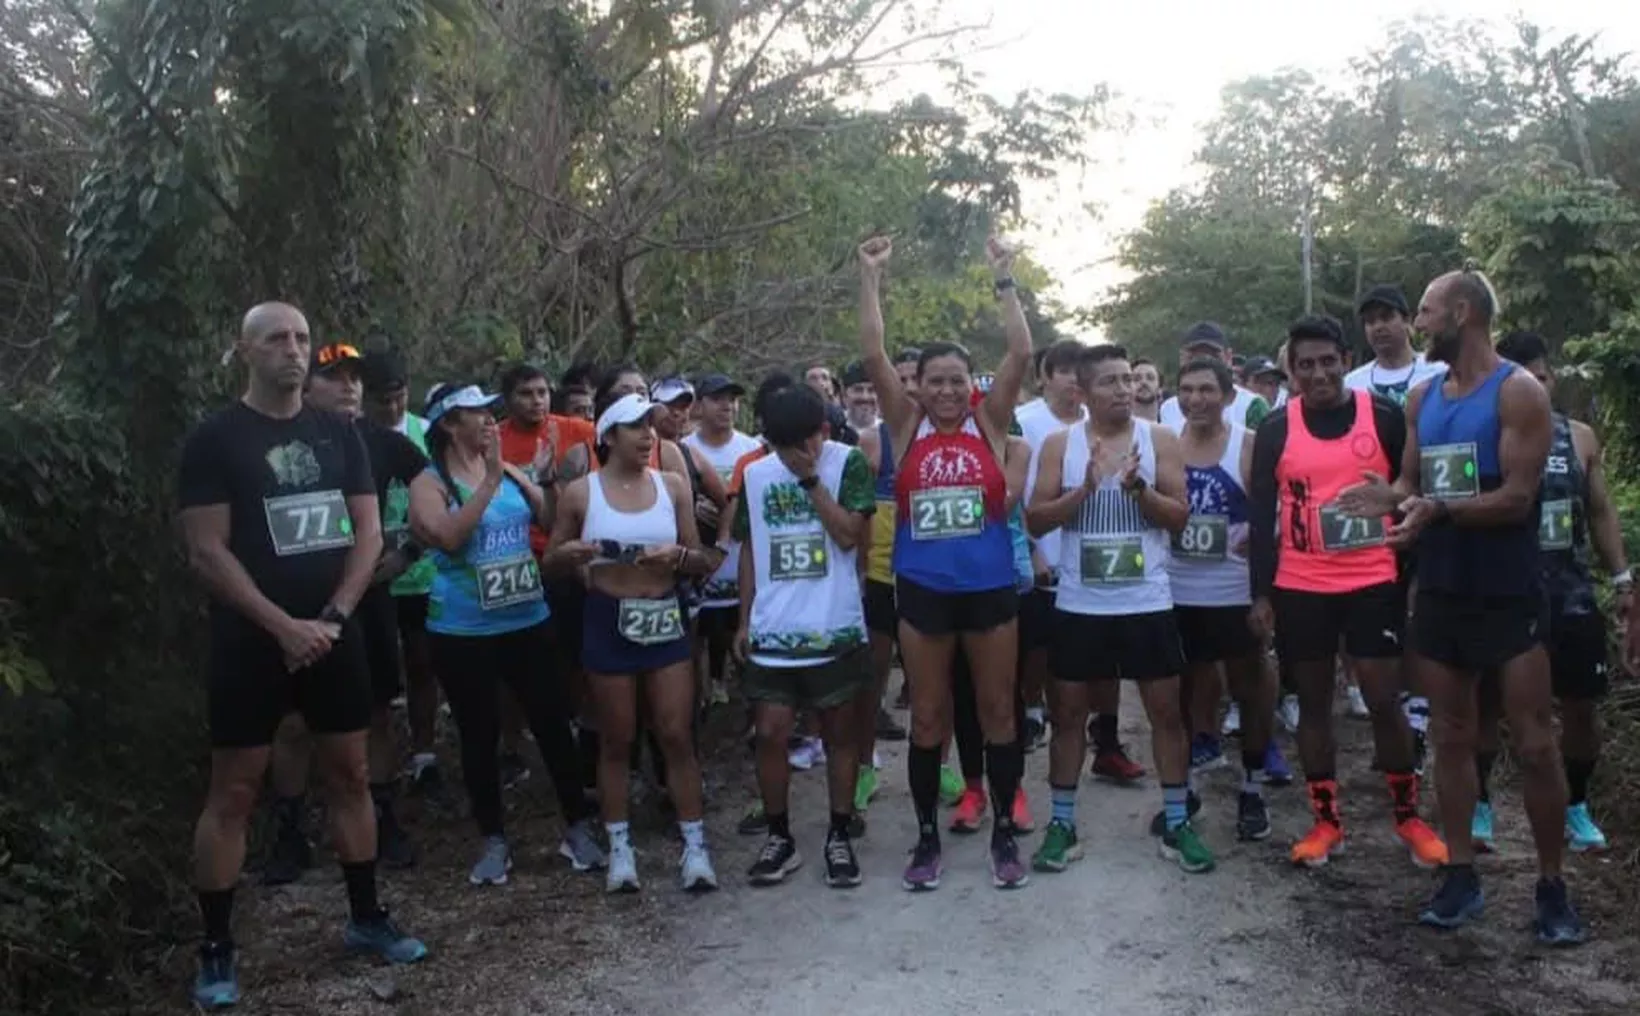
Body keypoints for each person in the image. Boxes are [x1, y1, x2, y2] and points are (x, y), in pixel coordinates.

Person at [178, 303, 425, 1010]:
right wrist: (281, 626)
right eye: (277, 339)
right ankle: (218, 951)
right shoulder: (215, 440)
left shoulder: (339, 433)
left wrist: (335, 615)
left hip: (332, 632)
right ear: (244, 350)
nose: (293, 350)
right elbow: (205, 551)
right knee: (234, 791)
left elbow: (368, 533)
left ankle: (367, 916)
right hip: (249, 640)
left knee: (350, 773)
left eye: (302, 339)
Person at [1337, 273, 1585, 942]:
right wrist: (1387, 499)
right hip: (1441, 588)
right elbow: (1412, 483)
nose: (1417, 326)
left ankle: (1553, 887)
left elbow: (1516, 498)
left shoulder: (1517, 391)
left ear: (1463, 312)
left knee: (1534, 743)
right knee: (1448, 735)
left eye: (1424, 312)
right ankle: (1461, 875)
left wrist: (1436, 510)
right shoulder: (1423, 398)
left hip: (1508, 592)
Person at [858, 233, 1033, 891]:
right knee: (928, 715)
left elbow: (1021, 350)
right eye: (936, 380)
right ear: (919, 388)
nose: (948, 390)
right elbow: (872, 352)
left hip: (990, 591)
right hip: (925, 592)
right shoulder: (905, 428)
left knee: (997, 713)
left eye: (958, 379)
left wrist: (1004, 278)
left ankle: (1002, 838)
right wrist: (871, 278)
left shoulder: (991, 424)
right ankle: (928, 837)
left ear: (972, 385)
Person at [1247, 314, 1445, 871]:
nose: (1318, 374)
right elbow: (1262, 518)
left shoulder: (1380, 416)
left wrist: (1410, 580)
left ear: (1344, 360)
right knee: (1315, 705)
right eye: (1305, 364)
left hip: (1373, 581)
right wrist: (1260, 594)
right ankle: (1326, 822)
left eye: (1327, 361)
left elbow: (1411, 493)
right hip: (1301, 585)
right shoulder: (1277, 429)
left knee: (1385, 701)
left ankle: (1408, 817)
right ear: (1292, 370)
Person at [408, 383, 606, 885]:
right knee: (479, 733)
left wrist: (550, 479)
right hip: (462, 629)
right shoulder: (429, 484)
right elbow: (449, 538)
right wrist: (492, 479)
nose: (491, 422)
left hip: (527, 618)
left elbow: (548, 518)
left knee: (553, 723)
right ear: (451, 424)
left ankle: (577, 829)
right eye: (479, 414)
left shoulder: (509, 472)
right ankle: (493, 840)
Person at [1026, 344, 1210, 873]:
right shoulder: (1062, 445)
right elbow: (1036, 521)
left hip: (1146, 601)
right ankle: (1061, 823)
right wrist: (1083, 490)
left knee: (1165, 715)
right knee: (1067, 716)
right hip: (1080, 604)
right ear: (1083, 392)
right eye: (1110, 382)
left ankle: (1177, 822)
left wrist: (1139, 491)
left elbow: (1178, 519)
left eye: (1128, 379)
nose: (1124, 389)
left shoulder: (1160, 440)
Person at [545, 392, 722, 893]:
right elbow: (551, 562)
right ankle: (621, 848)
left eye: (651, 426)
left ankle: (695, 846)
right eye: (634, 427)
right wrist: (574, 552)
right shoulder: (582, 493)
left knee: (675, 734)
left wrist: (677, 556)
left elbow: (702, 560)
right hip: (608, 615)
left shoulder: (672, 484)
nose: (648, 436)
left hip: (663, 614)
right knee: (616, 737)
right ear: (607, 436)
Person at [264, 342, 425, 887]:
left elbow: (441, 488)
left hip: (368, 605)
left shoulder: (382, 443)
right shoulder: (279, 444)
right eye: (334, 376)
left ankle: (383, 820)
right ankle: (289, 833)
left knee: (377, 714)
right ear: (307, 385)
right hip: (290, 605)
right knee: (290, 725)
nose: (349, 386)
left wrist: (406, 553)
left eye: (355, 377)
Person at [1473, 332, 1630, 855]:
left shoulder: (1579, 436)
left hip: (1570, 594)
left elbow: (1602, 509)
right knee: (1487, 704)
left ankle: (1576, 804)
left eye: (1538, 378)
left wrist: (1624, 580)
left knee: (1581, 707)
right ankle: (1479, 802)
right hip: (1500, 591)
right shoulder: (1484, 433)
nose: (1530, 390)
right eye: (1518, 381)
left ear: (1550, 378)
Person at [734, 383, 877, 887]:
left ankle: (839, 833)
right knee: (771, 733)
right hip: (775, 632)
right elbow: (752, 547)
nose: (800, 452)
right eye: (786, 444)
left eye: (808, 439)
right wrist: (744, 619)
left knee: (840, 734)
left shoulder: (848, 464)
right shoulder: (753, 473)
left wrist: (812, 480)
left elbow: (848, 535)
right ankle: (780, 836)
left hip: (833, 625)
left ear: (822, 430)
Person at [1164, 357, 1288, 840]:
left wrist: (1265, 585)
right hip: (1177, 590)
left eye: (1206, 390)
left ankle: (1252, 788)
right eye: (1187, 390)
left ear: (1228, 395)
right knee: (1184, 696)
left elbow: (1276, 511)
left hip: (1234, 590)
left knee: (1250, 689)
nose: (1196, 400)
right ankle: (1186, 790)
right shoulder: (1166, 447)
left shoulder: (1248, 445)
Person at [1015, 339, 1142, 782]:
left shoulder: (1106, 423)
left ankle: (1106, 739)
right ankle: (1033, 714)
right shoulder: (1026, 422)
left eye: (1077, 371)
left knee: (1104, 663)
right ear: (1043, 377)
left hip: (1103, 567)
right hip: (1041, 555)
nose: (1071, 379)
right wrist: (1028, 548)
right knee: (1039, 650)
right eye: (1062, 370)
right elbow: (1014, 494)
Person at [361, 350, 442, 793]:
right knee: (376, 676)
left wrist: (412, 549)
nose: (391, 409)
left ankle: (425, 753)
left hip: (420, 569)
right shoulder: (351, 435)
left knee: (422, 662)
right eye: (381, 400)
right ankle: (376, 766)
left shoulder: (426, 435)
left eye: (399, 397)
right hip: (368, 577)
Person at [682, 374, 763, 707]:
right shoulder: (684, 450)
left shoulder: (752, 449)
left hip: (741, 559)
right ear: (698, 406)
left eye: (732, 399)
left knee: (742, 638)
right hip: (701, 560)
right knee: (697, 639)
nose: (727, 406)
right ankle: (698, 704)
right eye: (718, 399)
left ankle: (750, 714)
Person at [1157, 323, 1271, 431]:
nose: (1204, 364)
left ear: (1228, 357)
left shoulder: (1252, 406)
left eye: (1213, 357)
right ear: (1182, 359)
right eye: (1195, 357)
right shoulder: (1168, 409)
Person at [1344, 285, 1442, 407]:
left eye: (1386, 317)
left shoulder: (1439, 373)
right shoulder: (1351, 384)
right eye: (1370, 321)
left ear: (1407, 320)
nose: (1378, 327)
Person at [841, 360, 879, 432]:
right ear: (845, 395)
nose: (865, 397)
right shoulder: (835, 429)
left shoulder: (889, 432)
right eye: (858, 390)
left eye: (871, 390)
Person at [1131, 357, 1163, 423]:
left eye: (1150, 378)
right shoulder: (1115, 429)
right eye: (1136, 379)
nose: (1144, 382)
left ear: (1160, 389)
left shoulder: (1173, 427)